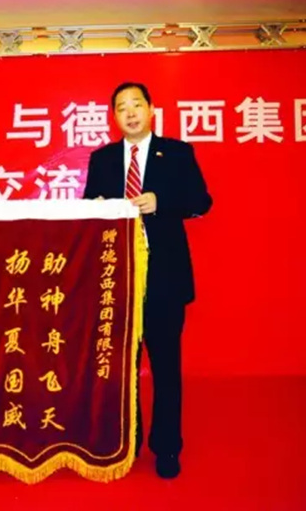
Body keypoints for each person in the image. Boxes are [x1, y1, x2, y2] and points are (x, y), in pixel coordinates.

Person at [83, 81, 212, 479]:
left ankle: (167, 447)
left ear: (151, 109)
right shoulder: (103, 159)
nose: (130, 112)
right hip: (117, 278)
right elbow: (87, 207)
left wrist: (161, 202)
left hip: (164, 278)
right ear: (114, 117)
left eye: (136, 104)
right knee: (122, 369)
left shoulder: (176, 152)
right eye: (121, 107)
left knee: (166, 366)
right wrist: (96, 208)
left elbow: (201, 201)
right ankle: (128, 440)